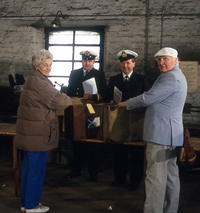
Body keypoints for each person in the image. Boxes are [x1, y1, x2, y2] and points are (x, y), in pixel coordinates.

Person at [117, 47, 187, 213]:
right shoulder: (175, 75)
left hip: (161, 134)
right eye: (159, 60)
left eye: (166, 59)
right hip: (169, 135)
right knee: (170, 177)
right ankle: (170, 209)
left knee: (155, 178)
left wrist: (127, 103)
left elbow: (149, 97)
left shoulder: (170, 78)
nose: (161, 63)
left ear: (175, 60)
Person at [15, 49, 72, 213]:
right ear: (36, 65)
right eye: (45, 65)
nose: (48, 68)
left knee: (28, 169)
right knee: (36, 170)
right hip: (37, 135)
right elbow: (59, 101)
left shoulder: (32, 80)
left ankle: (26, 203)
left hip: (30, 134)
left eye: (50, 65)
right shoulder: (40, 83)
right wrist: (69, 98)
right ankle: (32, 205)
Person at [107, 49, 150, 191]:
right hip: (119, 120)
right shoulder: (114, 80)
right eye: (122, 63)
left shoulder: (142, 79)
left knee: (136, 153)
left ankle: (135, 181)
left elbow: (147, 100)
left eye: (128, 63)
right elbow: (108, 98)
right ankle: (119, 179)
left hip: (135, 121)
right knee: (119, 151)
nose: (125, 66)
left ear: (133, 64)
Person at [67, 50, 107, 182]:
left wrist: (93, 97)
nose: (87, 63)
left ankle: (93, 173)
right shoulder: (74, 74)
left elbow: (105, 94)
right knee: (77, 140)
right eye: (85, 60)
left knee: (93, 141)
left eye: (90, 61)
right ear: (82, 61)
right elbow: (70, 92)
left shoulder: (99, 74)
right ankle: (75, 170)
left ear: (94, 61)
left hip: (93, 111)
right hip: (78, 110)